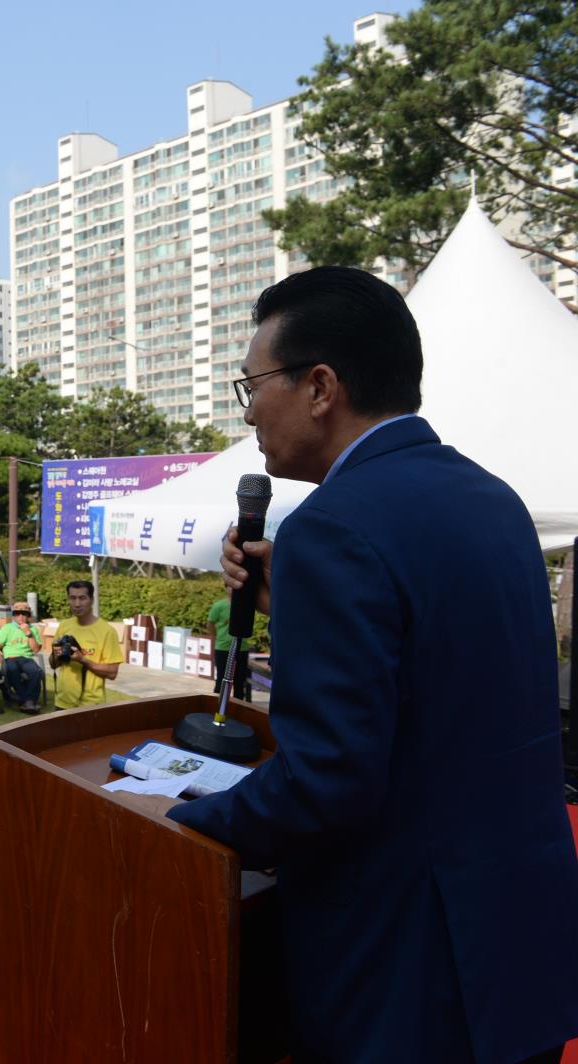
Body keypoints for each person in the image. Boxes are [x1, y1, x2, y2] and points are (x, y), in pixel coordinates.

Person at [163, 267, 578, 1061]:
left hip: (408, 971)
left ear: (320, 387)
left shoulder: (334, 529)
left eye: (252, 383)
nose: (247, 409)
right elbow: (449, 675)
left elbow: (329, 779)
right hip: (517, 946)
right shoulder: (494, 499)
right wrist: (299, 597)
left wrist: (186, 826)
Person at [49, 580, 123, 709]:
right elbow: (53, 664)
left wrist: (83, 660)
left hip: (90, 706)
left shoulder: (107, 631)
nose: (77, 604)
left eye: (82, 598)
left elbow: (112, 673)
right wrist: (57, 654)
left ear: (92, 600)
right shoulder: (64, 625)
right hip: (62, 703)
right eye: (73, 598)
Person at [0, 603, 44, 711]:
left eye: (24, 613)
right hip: (11, 657)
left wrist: (28, 633)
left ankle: (26, 701)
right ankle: (28, 701)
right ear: (13, 615)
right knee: (12, 670)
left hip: (26, 658)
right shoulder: (7, 628)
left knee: (36, 671)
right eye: (17, 613)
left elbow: (35, 649)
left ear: (28, 615)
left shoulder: (33, 629)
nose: (20, 616)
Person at [205, 592, 251, 702]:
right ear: (226, 587)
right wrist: (216, 638)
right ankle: (216, 706)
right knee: (221, 679)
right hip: (222, 648)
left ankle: (238, 710)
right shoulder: (219, 605)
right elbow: (210, 623)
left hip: (242, 648)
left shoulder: (246, 604)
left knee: (239, 681)